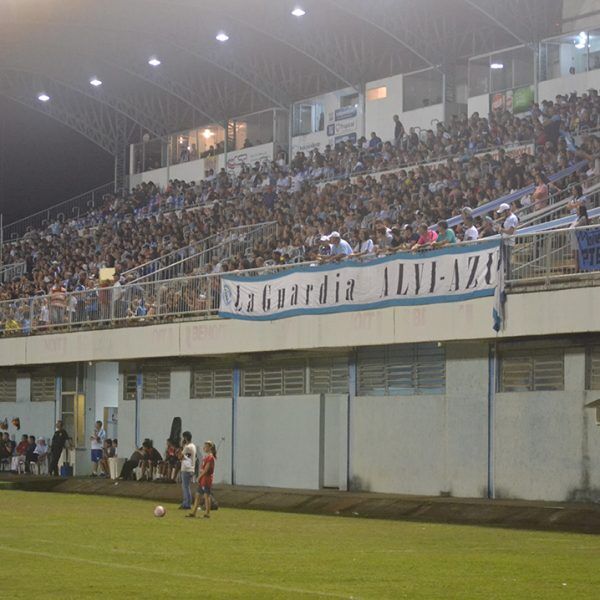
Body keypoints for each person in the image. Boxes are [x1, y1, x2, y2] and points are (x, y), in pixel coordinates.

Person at [187, 441, 216, 519]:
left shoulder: (210, 457)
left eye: (206, 446)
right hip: (203, 479)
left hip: (206, 479)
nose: (204, 448)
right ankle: (194, 512)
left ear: (210, 447)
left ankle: (207, 513)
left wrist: (199, 476)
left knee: (206, 496)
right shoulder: (206, 457)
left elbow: (206, 470)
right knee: (198, 495)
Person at [496, 202, 519, 279]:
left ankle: (510, 280)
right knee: (505, 262)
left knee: (508, 262)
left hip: (509, 242)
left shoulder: (512, 218)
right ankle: (508, 279)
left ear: (506, 211)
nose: (501, 214)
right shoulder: (508, 218)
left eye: (502, 212)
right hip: (505, 241)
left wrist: (501, 229)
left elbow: (510, 231)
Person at [179, 431, 196, 510]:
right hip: (191, 468)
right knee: (187, 486)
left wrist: (182, 447)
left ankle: (187, 503)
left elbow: (181, 457)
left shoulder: (187, 447)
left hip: (186, 468)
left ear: (185, 438)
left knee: (185, 487)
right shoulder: (193, 446)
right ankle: (187, 502)